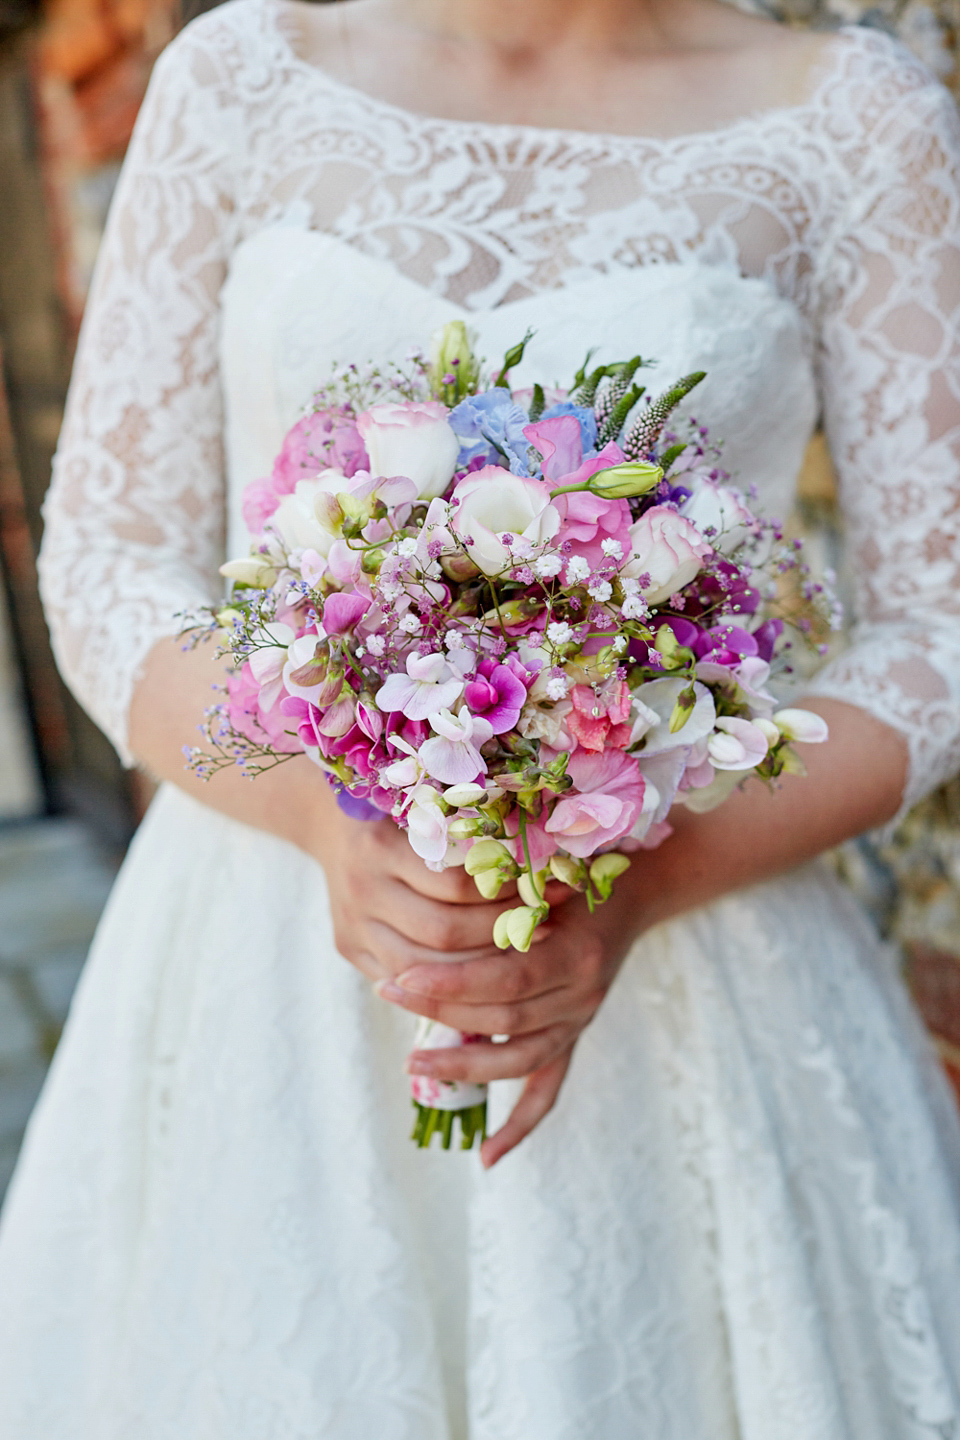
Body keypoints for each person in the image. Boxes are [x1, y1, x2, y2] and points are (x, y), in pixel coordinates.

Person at [1, 0, 959, 1431]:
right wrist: (316, 820)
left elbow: (936, 630)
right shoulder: (243, 77)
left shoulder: (850, 117)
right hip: (272, 946)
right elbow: (103, 560)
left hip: (690, 944)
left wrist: (633, 890)